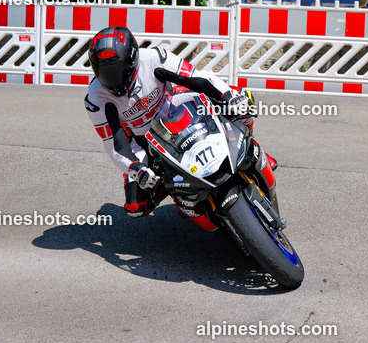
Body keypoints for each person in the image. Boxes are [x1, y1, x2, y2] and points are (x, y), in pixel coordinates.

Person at [84, 25, 275, 226]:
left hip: (174, 106)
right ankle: (178, 193)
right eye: (103, 71)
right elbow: (115, 144)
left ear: (132, 61)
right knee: (136, 207)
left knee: (240, 101)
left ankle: (249, 147)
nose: (112, 78)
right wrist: (136, 168)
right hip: (144, 140)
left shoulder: (154, 58)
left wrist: (228, 95)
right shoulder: (95, 99)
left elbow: (197, 77)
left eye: (117, 69)